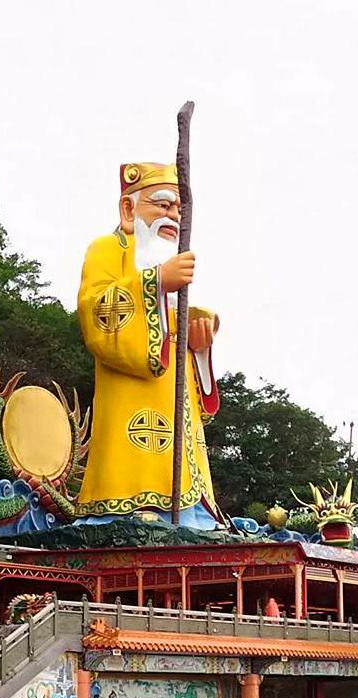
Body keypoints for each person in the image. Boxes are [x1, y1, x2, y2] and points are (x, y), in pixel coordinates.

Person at [74, 160, 225, 526]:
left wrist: (199, 347)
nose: (172, 215)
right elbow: (95, 310)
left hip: (176, 407)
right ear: (129, 209)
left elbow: (173, 332)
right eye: (162, 204)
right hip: (130, 404)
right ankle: (127, 502)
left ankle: (191, 509)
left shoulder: (168, 261)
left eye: (178, 208)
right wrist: (156, 282)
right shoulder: (108, 249)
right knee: (131, 480)